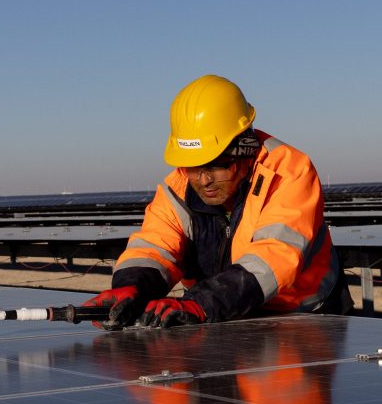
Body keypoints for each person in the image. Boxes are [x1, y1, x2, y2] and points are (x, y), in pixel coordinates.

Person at [85, 74, 349, 329]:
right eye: (192, 166)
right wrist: (131, 286)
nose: (203, 180)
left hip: (306, 318)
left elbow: (274, 257)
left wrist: (202, 303)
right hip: (221, 317)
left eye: (216, 166)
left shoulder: (288, 172)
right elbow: (154, 247)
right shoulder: (176, 189)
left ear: (244, 150)